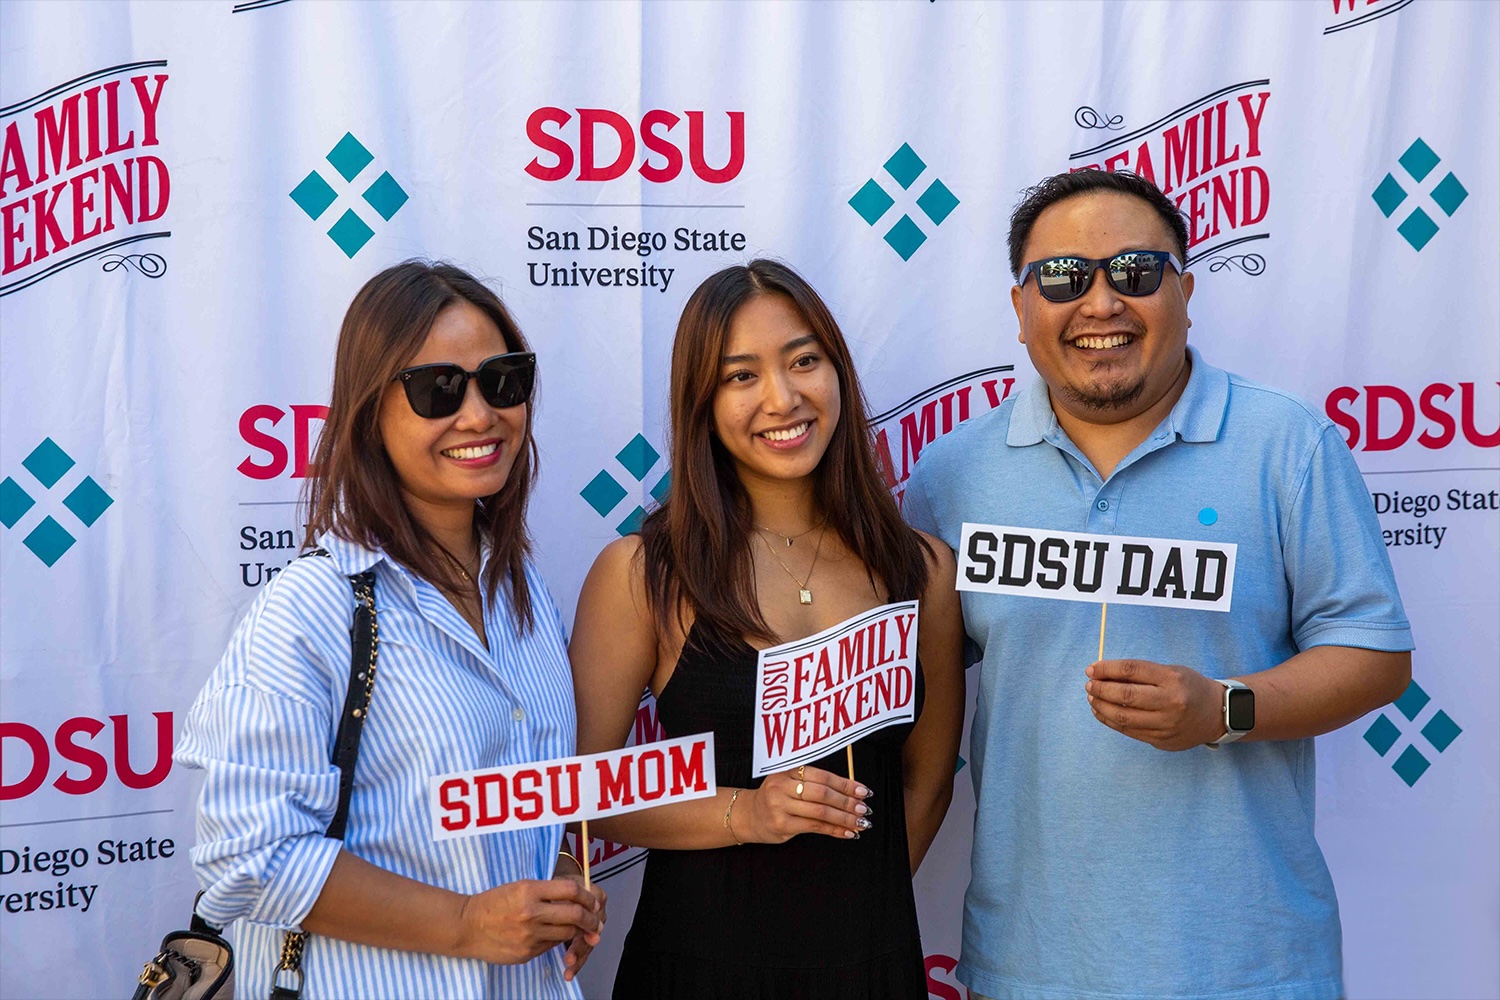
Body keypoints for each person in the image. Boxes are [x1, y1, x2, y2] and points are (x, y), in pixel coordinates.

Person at [903, 169, 1414, 1000]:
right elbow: (914, 690)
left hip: (1246, 965)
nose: (1101, 303)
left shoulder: (1287, 443)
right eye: (1064, 278)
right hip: (1030, 965)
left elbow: (1375, 655)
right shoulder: (955, 473)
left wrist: (1223, 709)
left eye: (1135, 272)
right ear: (1022, 308)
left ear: (1184, 290)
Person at [176, 261, 606, 998]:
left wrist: (551, 881)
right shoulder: (312, 608)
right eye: (438, 389)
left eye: (503, 380)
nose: (479, 415)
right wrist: (466, 922)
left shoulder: (522, 591)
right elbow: (250, 855)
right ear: (370, 411)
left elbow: (502, 817)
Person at [569, 259, 965, 999]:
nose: (782, 398)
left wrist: (846, 914)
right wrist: (744, 813)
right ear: (702, 403)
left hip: (868, 968)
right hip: (694, 967)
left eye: (804, 361)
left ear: (838, 372)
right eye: (740, 376)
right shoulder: (642, 574)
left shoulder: (923, 572)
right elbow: (581, 792)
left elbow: (929, 779)